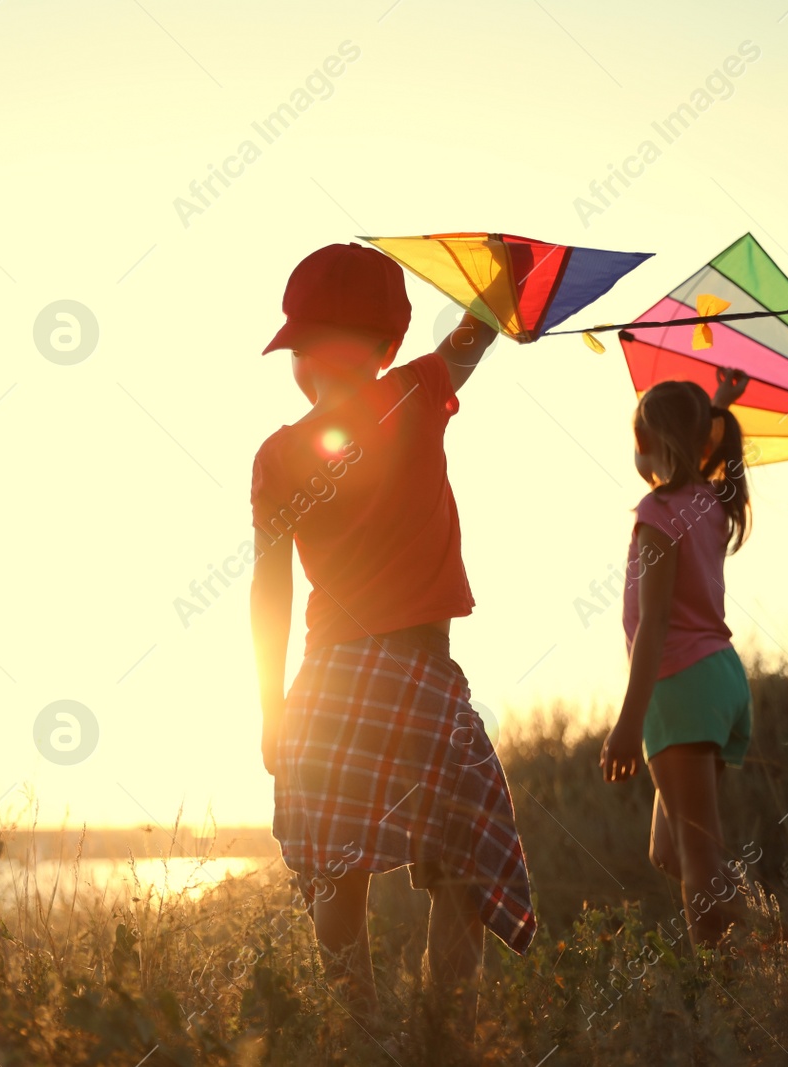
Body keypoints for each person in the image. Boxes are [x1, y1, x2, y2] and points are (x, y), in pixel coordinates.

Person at [250, 242, 535, 1037]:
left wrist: (271, 706)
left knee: (336, 870)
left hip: (328, 684)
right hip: (422, 675)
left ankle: (362, 1029)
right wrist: (506, 286)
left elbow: (269, 592)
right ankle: (446, 1025)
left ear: (304, 355)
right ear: (387, 344)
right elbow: (472, 341)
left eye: (303, 347)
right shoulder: (413, 393)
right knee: (460, 861)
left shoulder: (276, 456)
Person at [599, 367, 754, 945]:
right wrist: (716, 405)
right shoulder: (709, 500)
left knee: (696, 856)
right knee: (673, 850)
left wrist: (627, 725)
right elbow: (699, 452)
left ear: (649, 448)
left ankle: (726, 992)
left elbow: (655, 627)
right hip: (719, 680)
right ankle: (765, 942)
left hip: (680, 684)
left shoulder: (657, 513)